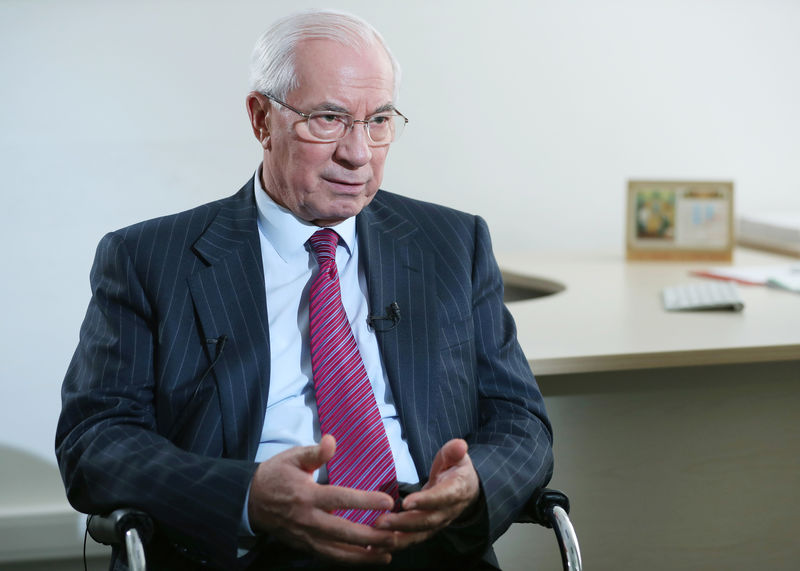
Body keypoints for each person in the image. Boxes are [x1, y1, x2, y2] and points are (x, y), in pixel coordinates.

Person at [56, 9, 553, 570]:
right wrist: (246, 498)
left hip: (426, 546)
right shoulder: (147, 259)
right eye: (328, 119)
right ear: (261, 119)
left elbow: (520, 419)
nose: (358, 153)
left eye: (379, 121)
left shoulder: (452, 243)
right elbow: (94, 443)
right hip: (251, 551)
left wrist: (474, 484)